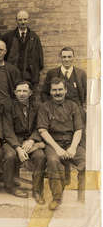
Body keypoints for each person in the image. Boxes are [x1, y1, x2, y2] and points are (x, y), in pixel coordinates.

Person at [38, 77, 85, 210]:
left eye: (60, 89)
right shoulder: (44, 107)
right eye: (54, 90)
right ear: (50, 91)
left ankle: (83, 197)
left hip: (72, 143)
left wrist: (73, 148)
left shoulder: (73, 106)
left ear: (65, 90)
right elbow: (43, 130)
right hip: (53, 144)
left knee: (86, 161)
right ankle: (57, 198)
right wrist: (58, 149)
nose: (57, 93)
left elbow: (78, 129)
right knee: (53, 161)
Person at [3, 81, 46, 203]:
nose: (22, 94)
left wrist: (32, 140)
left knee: (40, 156)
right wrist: (18, 148)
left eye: (25, 91)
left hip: (30, 140)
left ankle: (37, 190)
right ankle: (10, 186)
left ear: (30, 93)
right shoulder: (9, 107)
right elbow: (8, 130)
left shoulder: (37, 107)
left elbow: (40, 126)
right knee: (10, 156)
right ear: (15, 93)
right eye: (19, 91)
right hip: (13, 140)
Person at [2, 10, 44, 87]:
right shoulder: (8, 37)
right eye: (20, 20)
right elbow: (3, 58)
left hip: (29, 78)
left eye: (25, 19)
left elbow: (40, 60)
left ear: (28, 20)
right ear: (16, 21)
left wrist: (34, 73)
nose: (23, 22)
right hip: (12, 77)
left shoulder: (34, 37)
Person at [41, 47, 87, 112]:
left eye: (69, 57)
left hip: (76, 110)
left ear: (73, 57)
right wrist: (50, 107)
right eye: (64, 57)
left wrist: (83, 106)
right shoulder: (52, 73)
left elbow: (86, 93)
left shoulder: (81, 73)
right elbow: (44, 93)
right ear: (60, 58)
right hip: (57, 109)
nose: (67, 59)